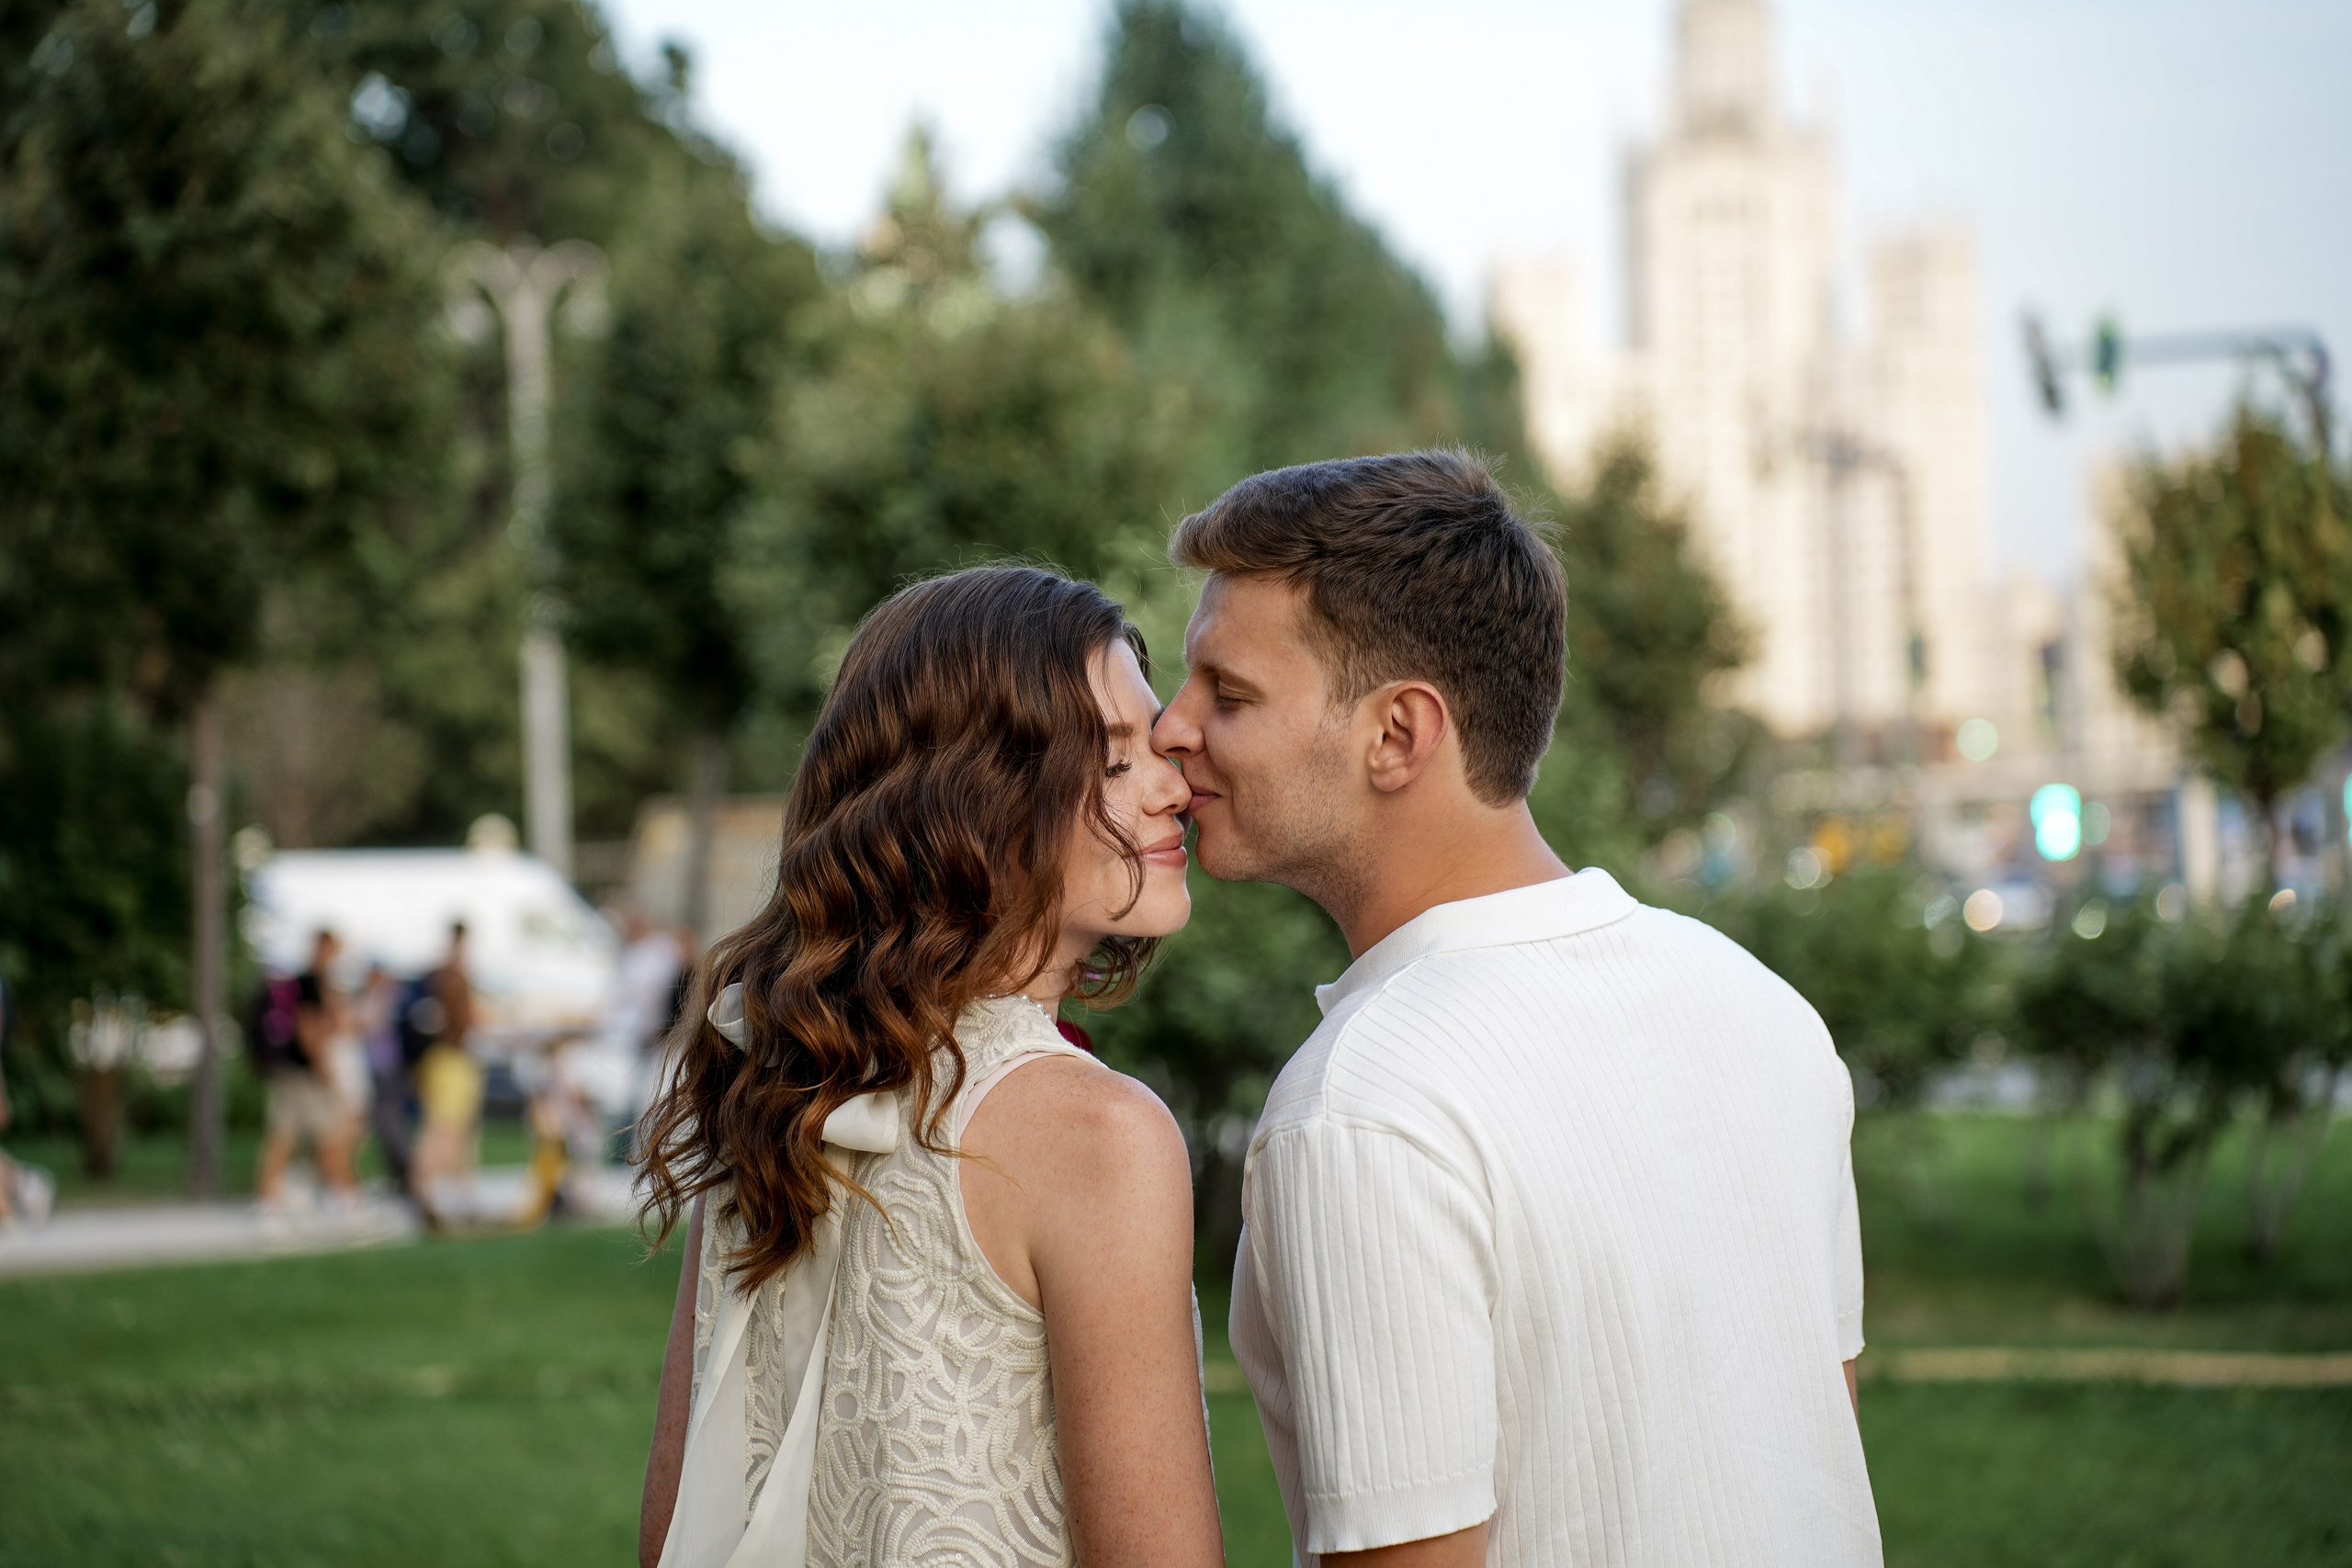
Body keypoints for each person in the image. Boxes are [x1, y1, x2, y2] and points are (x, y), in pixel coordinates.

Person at [1150, 451, 1880, 1568]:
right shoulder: (1764, 1008)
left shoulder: (1364, 1107)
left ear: (1397, 735)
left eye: (1228, 693)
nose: (1169, 727)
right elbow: (1803, 1452)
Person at [637, 566, 1221, 1568]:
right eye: (1116, 763)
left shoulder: (780, 1085)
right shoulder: (1098, 1138)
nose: (1177, 787)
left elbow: (678, 1525)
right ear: (980, 808)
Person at [257, 930, 361, 1208]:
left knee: (284, 1135)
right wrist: (324, 1068)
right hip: (306, 1071)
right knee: (332, 1134)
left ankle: (273, 1199)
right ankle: (344, 1198)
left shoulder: (302, 981)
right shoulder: (311, 982)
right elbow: (309, 1027)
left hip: (289, 1069)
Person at [411, 923, 481, 1220]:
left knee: (455, 1133)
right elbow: (467, 1020)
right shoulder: (452, 978)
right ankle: (425, 1193)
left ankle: (456, 1195)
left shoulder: (437, 976)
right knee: (445, 1133)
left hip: (444, 1061)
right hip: (451, 1061)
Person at [354, 963, 415, 1199]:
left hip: (387, 1070)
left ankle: (407, 1174)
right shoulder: (372, 999)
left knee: (390, 1124)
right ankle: (396, 1175)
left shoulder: (392, 999)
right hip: (374, 1070)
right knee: (383, 1126)